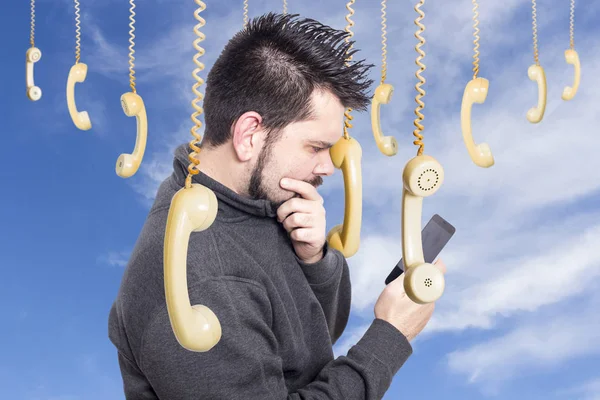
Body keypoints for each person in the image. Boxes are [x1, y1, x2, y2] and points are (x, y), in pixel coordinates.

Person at [108, 12, 446, 400]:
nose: (327, 167)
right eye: (316, 147)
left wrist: (314, 259)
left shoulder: (247, 201)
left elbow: (309, 344)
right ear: (249, 134)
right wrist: (390, 338)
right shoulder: (203, 280)